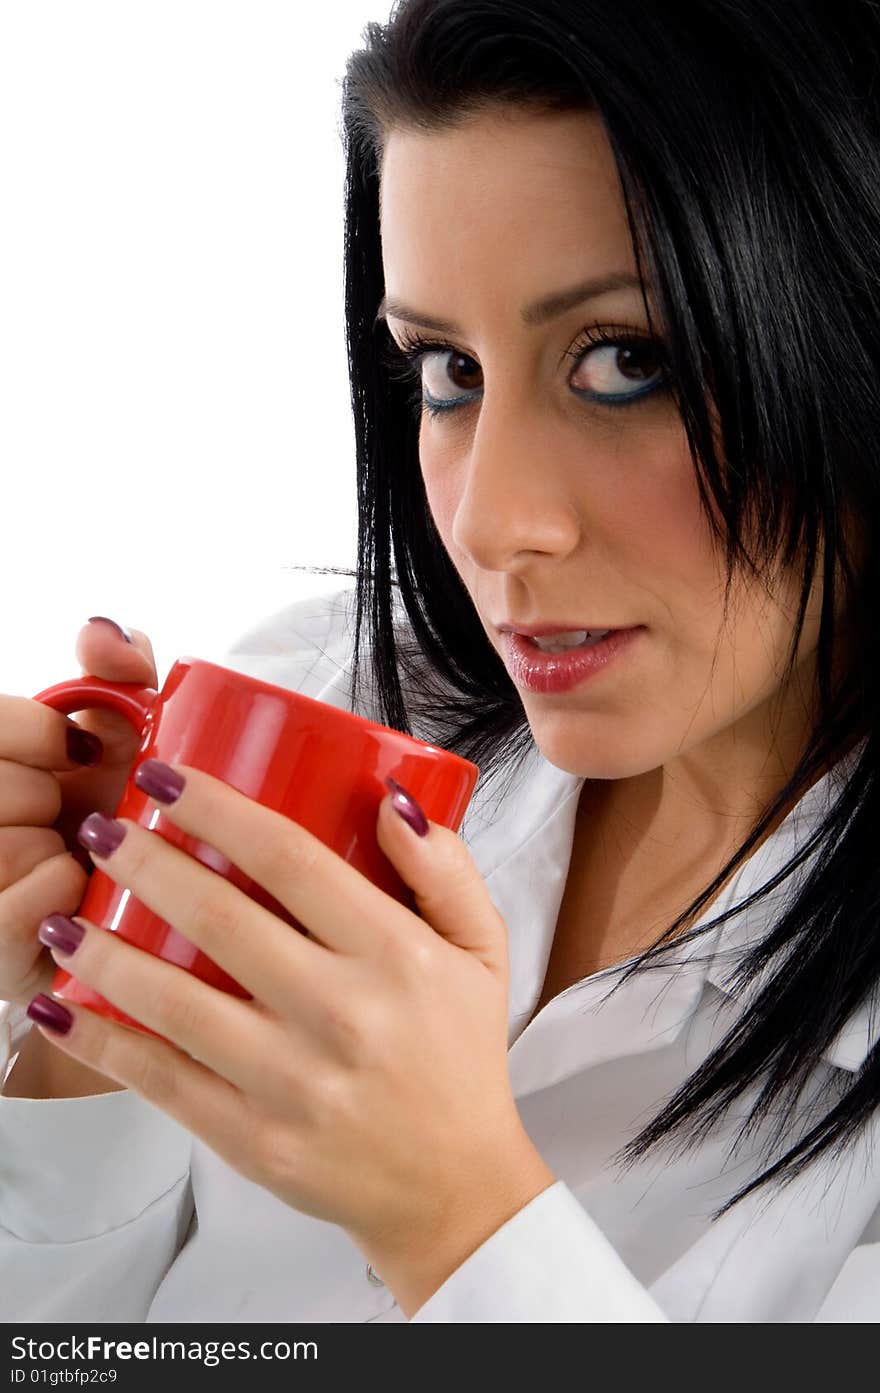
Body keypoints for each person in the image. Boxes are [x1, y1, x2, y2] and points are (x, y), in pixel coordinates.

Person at [1, 0, 879, 1322]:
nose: (488, 520)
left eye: (627, 358)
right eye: (448, 369)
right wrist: (98, 1030)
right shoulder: (325, 702)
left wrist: (460, 1218)